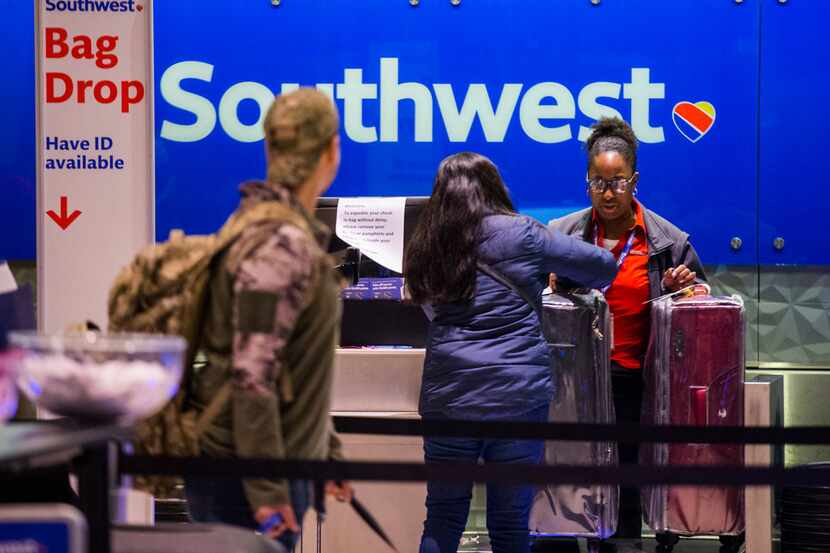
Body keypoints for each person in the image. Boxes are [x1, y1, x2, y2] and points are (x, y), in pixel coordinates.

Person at [405, 152, 618, 553]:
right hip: (517, 398)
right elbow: (603, 266)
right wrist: (552, 273)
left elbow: (426, 304)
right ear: (493, 187)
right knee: (510, 521)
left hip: (450, 399)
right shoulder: (523, 234)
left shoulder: (426, 241)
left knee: (444, 514)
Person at [183, 88, 351, 550]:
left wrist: (325, 452)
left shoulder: (265, 227)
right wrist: (267, 490)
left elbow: (292, 367)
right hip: (248, 475)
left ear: (270, 149)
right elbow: (253, 375)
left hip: (262, 462)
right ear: (331, 151)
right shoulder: (281, 244)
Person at [549, 117, 706, 545]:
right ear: (587, 180)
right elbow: (534, 307)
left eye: (617, 181)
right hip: (574, 384)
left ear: (634, 179)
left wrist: (681, 294)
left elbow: (703, 312)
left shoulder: (668, 242)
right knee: (570, 484)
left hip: (637, 383)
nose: (607, 192)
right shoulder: (560, 237)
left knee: (628, 490)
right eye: (598, 182)